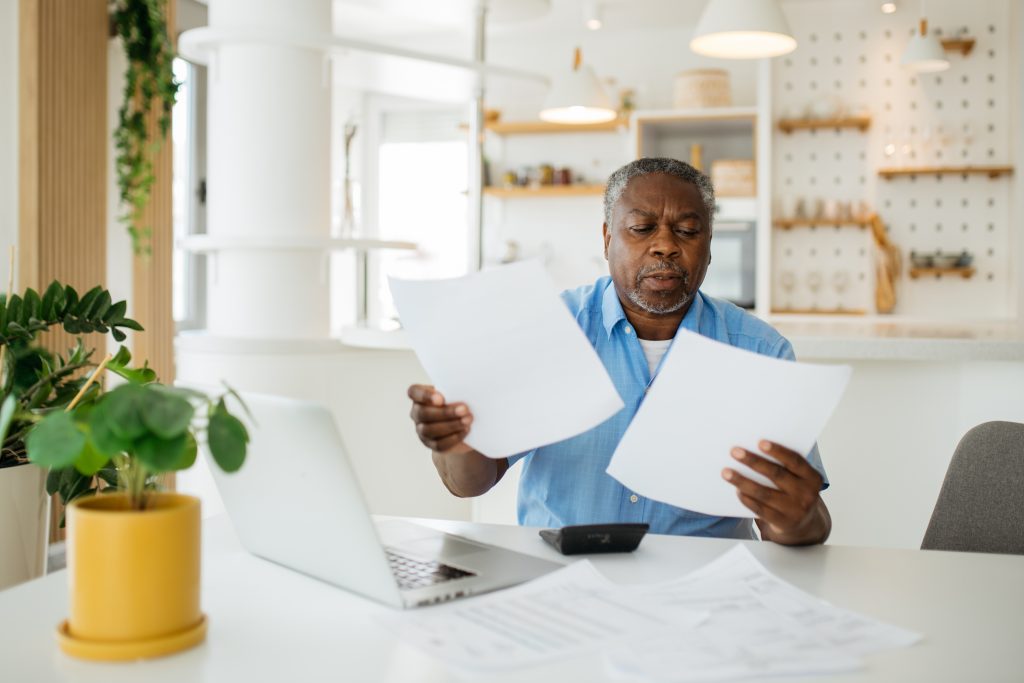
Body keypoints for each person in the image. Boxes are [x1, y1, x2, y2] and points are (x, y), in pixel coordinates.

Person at [407, 157, 831, 546]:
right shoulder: (550, 329)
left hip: (702, 592)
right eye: (643, 228)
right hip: (561, 580)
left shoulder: (759, 352)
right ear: (608, 236)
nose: (665, 245)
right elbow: (470, 483)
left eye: (687, 230)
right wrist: (456, 443)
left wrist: (793, 519)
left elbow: (806, 525)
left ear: (709, 243)